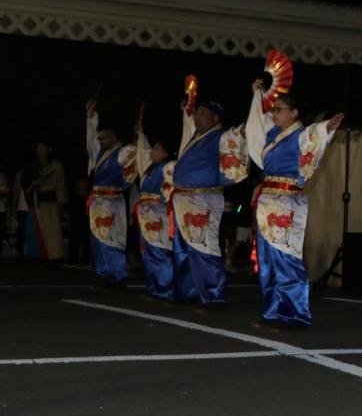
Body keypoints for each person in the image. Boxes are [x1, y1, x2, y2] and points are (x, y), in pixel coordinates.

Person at [245, 82, 343, 327]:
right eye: (275, 108)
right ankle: (271, 311)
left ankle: (294, 313)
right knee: (268, 259)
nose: (275, 112)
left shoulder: (300, 135)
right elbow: (258, 125)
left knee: (286, 256)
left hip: (287, 201)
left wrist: (326, 128)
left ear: (294, 113)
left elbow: (314, 135)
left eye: (280, 109)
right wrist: (258, 95)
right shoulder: (273, 136)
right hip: (268, 200)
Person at [171, 98, 248, 309]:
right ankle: (187, 291)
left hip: (203, 198)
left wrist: (242, 130)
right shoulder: (196, 137)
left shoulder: (221, 136)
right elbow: (187, 122)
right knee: (183, 247)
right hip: (183, 199)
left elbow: (236, 137)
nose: (197, 118)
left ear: (216, 118)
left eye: (202, 114)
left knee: (203, 246)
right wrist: (186, 110)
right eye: (196, 114)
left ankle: (213, 295)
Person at [84, 99, 137, 287]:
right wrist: (91, 116)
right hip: (98, 202)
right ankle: (105, 274)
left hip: (112, 202)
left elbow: (133, 158)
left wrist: (137, 138)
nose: (100, 142)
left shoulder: (122, 152)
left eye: (104, 138)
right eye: (100, 139)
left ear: (114, 137)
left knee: (111, 237)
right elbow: (91, 141)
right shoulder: (101, 153)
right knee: (98, 238)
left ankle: (117, 276)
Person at [133, 120, 176, 302]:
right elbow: (142, 152)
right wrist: (140, 134)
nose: (152, 151)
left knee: (159, 250)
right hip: (146, 214)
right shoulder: (151, 169)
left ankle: (165, 289)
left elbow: (170, 191)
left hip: (158, 213)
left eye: (157, 149)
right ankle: (155, 286)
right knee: (148, 251)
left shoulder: (168, 167)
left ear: (165, 153)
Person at [19, 140, 67, 263]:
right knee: (34, 229)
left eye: (42, 148)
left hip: (51, 202)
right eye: (38, 148)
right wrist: (32, 185)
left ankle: (54, 256)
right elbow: (25, 182)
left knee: (53, 230)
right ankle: (34, 256)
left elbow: (61, 186)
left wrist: (61, 202)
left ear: (49, 150)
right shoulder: (32, 166)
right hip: (36, 201)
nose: (39, 150)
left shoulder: (56, 166)